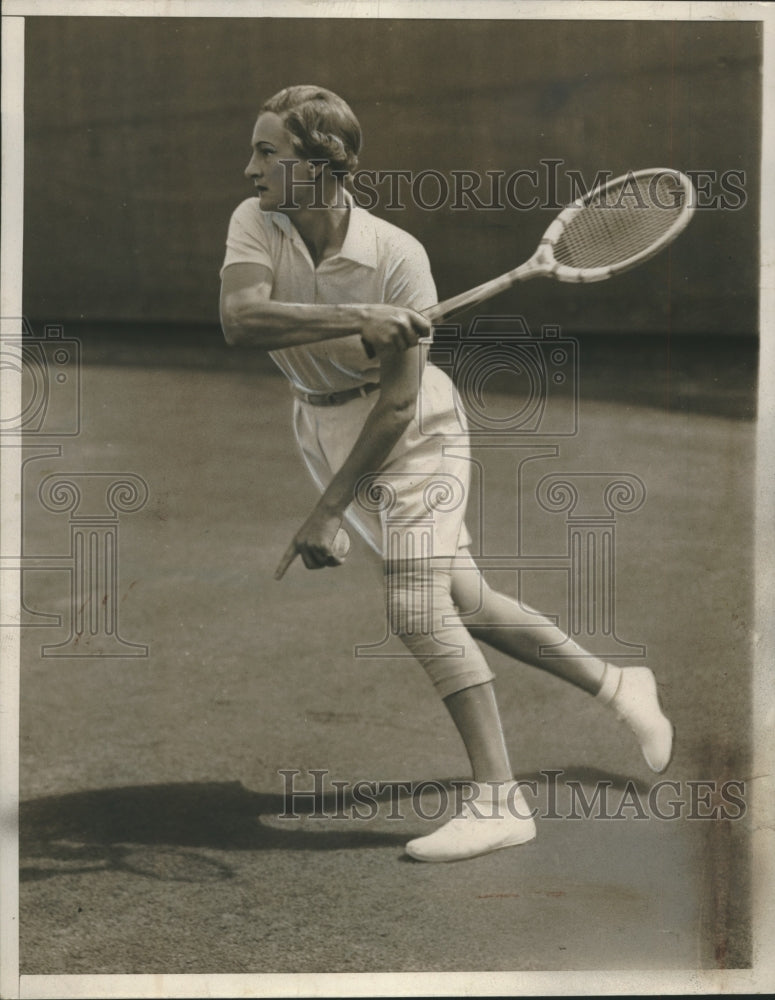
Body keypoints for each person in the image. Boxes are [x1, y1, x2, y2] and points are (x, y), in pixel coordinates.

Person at [219, 85, 673, 862]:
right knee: (466, 602)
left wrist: (326, 512)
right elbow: (240, 321)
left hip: (414, 435)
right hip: (319, 420)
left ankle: (500, 802)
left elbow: (396, 408)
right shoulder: (254, 218)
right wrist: (354, 320)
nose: (249, 165)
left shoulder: (399, 259)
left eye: (268, 151)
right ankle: (616, 684)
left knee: (415, 605)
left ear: (322, 168)